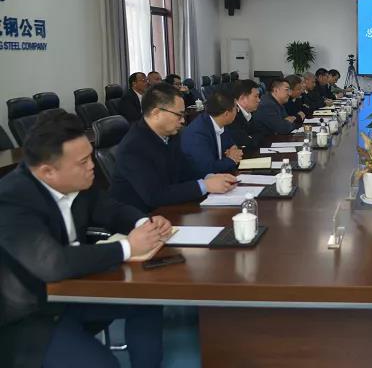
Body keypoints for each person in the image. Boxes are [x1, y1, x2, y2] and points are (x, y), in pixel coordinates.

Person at [0, 111, 169, 368]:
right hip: (30, 316)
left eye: (90, 156)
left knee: (148, 298)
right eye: (83, 162)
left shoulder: (78, 182)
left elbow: (112, 209)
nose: (92, 165)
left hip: (72, 290)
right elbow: (52, 263)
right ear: (48, 171)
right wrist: (128, 247)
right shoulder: (11, 199)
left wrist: (145, 223)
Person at [110, 83, 236, 212]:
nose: (183, 120)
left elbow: (185, 171)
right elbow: (155, 195)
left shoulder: (171, 135)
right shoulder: (134, 146)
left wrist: (210, 177)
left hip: (169, 208)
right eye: (178, 115)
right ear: (156, 113)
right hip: (142, 217)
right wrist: (205, 185)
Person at [180, 91, 243, 177]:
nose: (237, 111)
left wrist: (233, 149)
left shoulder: (220, 122)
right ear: (226, 114)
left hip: (222, 176)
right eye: (236, 108)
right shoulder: (197, 133)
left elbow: (231, 145)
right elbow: (208, 170)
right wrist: (231, 159)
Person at [227, 79, 265, 149]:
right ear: (242, 98)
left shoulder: (249, 112)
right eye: (256, 96)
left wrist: (251, 138)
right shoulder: (232, 116)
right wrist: (251, 138)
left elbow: (261, 133)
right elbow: (246, 142)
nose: (259, 100)